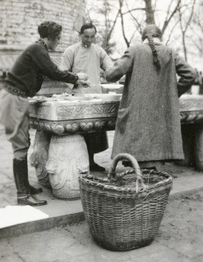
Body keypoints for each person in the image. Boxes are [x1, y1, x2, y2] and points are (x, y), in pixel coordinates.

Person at [0, 21, 89, 206]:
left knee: (23, 143)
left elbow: (48, 71)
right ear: (48, 37)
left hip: (16, 98)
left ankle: (24, 187)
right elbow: (53, 71)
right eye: (57, 38)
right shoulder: (37, 49)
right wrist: (76, 77)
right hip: (13, 99)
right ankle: (23, 196)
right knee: (20, 147)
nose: (58, 42)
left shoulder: (38, 50)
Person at [105, 24, 197, 165]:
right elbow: (191, 74)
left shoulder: (134, 51)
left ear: (143, 38)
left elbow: (111, 75)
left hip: (137, 116)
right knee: (156, 162)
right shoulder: (170, 53)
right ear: (160, 37)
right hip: (161, 117)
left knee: (138, 164)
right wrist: (172, 93)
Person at [61, 23, 113, 171]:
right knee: (81, 130)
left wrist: (109, 73)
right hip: (78, 95)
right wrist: (76, 79)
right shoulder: (71, 51)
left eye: (92, 37)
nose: (89, 40)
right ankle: (79, 163)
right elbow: (62, 73)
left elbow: (110, 67)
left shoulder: (98, 51)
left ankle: (91, 162)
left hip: (95, 94)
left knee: (94, 130)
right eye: (86, 36)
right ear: (80, 35)